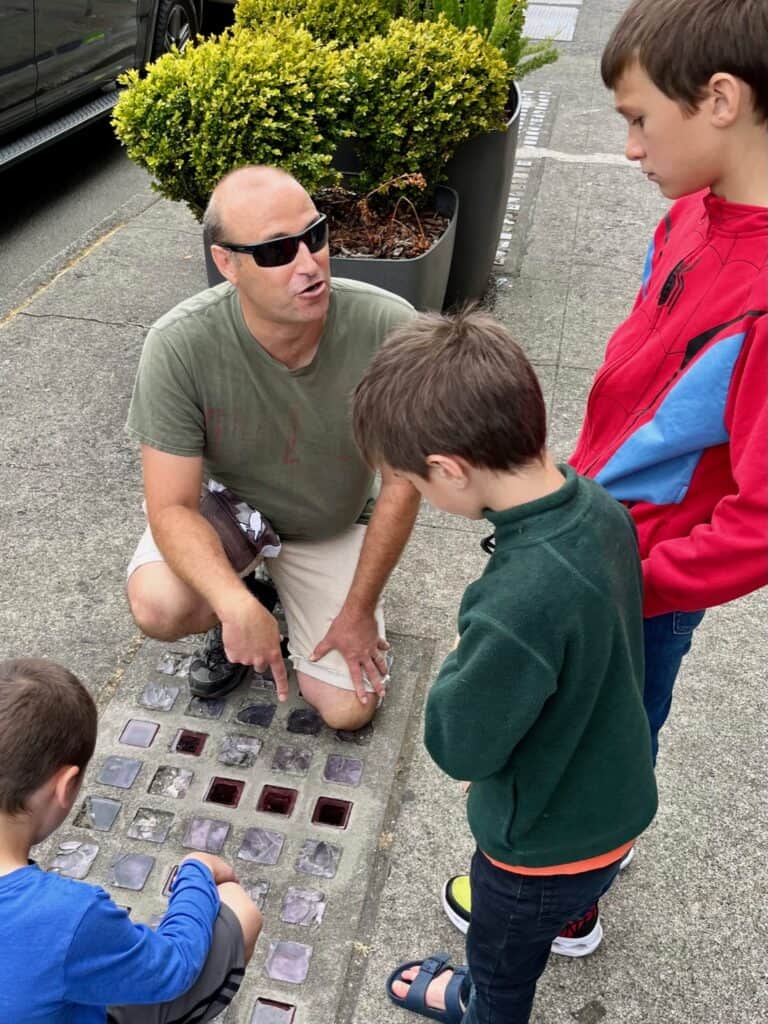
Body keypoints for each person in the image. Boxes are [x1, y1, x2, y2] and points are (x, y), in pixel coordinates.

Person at [442, 0, 768, 951]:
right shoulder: (689, 217)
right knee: (567, 719)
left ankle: (570, 897)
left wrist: (630, 579)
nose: (628, 148)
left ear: (719, 98)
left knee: (606, 733)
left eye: (638, 119)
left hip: (641, 577)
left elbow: (759, 520)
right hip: (596, 531)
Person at [351, 310, 658, 1024]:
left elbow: (460, 746)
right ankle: (557, 934)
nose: (424, 499)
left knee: (500, 959)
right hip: (614, 803)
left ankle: (484, 1004)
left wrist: (463, 661)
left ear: (451, 470)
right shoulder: (599, 507)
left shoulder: (513, 604)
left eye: (418, 486)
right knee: (549, 915)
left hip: (535, 854)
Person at [125, 165, 419, 732]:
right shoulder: (178, 345)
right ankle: (242, 593)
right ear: (226, 264)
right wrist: (235, 607)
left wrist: (358, 610)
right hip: (231, 512)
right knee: (161, 604)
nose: (309, 264)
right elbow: (171, 507)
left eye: (315, 236)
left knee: (349, 710)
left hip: (330, 522)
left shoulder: (389, 327)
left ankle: (298, 599)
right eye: (277, 251)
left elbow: (403, 483)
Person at [0, 657, 262, 1023]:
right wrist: (195, 872)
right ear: (65, 786)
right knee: (236, 907)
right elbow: (175, 967)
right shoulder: (69, 915)